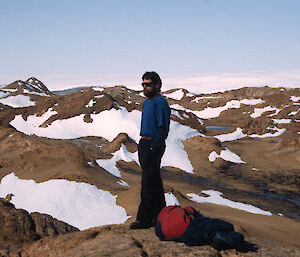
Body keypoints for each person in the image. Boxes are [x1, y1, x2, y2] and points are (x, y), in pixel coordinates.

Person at [130, 71, 171, 229]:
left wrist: (155, 146)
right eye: (143, 84)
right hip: (145, 144)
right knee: (154, 182)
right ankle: (159, 217)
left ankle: (143, 220)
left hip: (154, 145)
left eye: (147, 84)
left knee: (147, 183)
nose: (144, 87)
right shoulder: (147, 103)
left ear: (157, 85)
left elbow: (163, 128)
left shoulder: (160, 103)